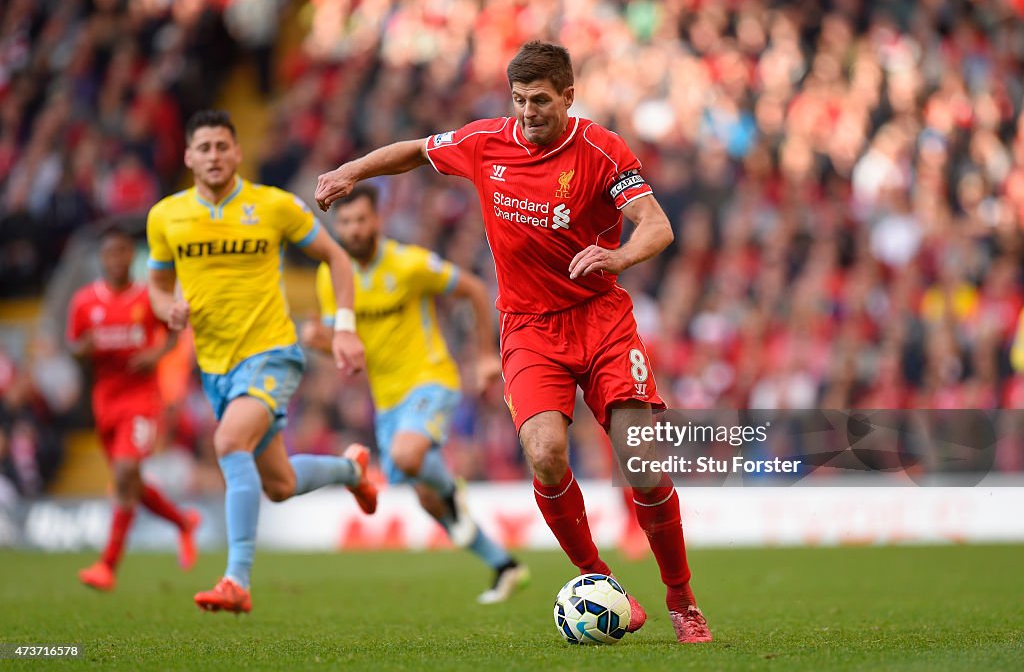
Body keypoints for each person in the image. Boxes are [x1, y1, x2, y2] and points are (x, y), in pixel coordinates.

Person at [315, 41, 712, 643]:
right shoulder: (486, 142)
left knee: (642, 463)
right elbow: (416, 152)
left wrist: (618, 255)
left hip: (601, 318)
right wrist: (350, 171)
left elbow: (658, 226)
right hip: (528, 328)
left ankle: (683, 602)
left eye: (541, 101)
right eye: (520, 100)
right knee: (547, 453)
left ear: (568, 97)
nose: (528, 112)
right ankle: (602, 583)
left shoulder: (602, 151)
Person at [147, 109, 377, 614]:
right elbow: (159, 287)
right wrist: (171, 311)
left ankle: (236, 579)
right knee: (279, 485)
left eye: (221, 146)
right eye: (203, 148)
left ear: (237, 151)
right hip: (215, 367)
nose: (213, 156)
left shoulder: (272, 206)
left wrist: (343, 328)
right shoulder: (166, 217)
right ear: (188, 156)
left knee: (229, 442)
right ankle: (350, 469)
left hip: (272, 350)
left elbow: (336, 257)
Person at [301, 184, 530, 604]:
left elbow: (475, 289)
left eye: (360, 219)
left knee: (409, 459)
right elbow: (348, 342)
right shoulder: (329, 275)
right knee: (427, 498)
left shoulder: (408, 263)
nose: (353, 229)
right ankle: (504, 564)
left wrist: (483, 356)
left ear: (377, 220)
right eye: (345, 222)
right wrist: (320, 339)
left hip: (430, 378)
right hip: (386, 399)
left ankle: (449, 489)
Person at [67, 226, 200, 592]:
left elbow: (173, 335)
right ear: (102, 258)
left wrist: (155, 354)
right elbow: (74, 347)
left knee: (125, 473)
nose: (117, 260)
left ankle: (107, 565)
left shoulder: (146, 297)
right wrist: (85, 347)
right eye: (110, 253)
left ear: (132, 256)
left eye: (123, 252)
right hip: (105, 401)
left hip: (141, 399)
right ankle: (184, 521)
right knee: (132, 483)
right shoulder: (84, 302)